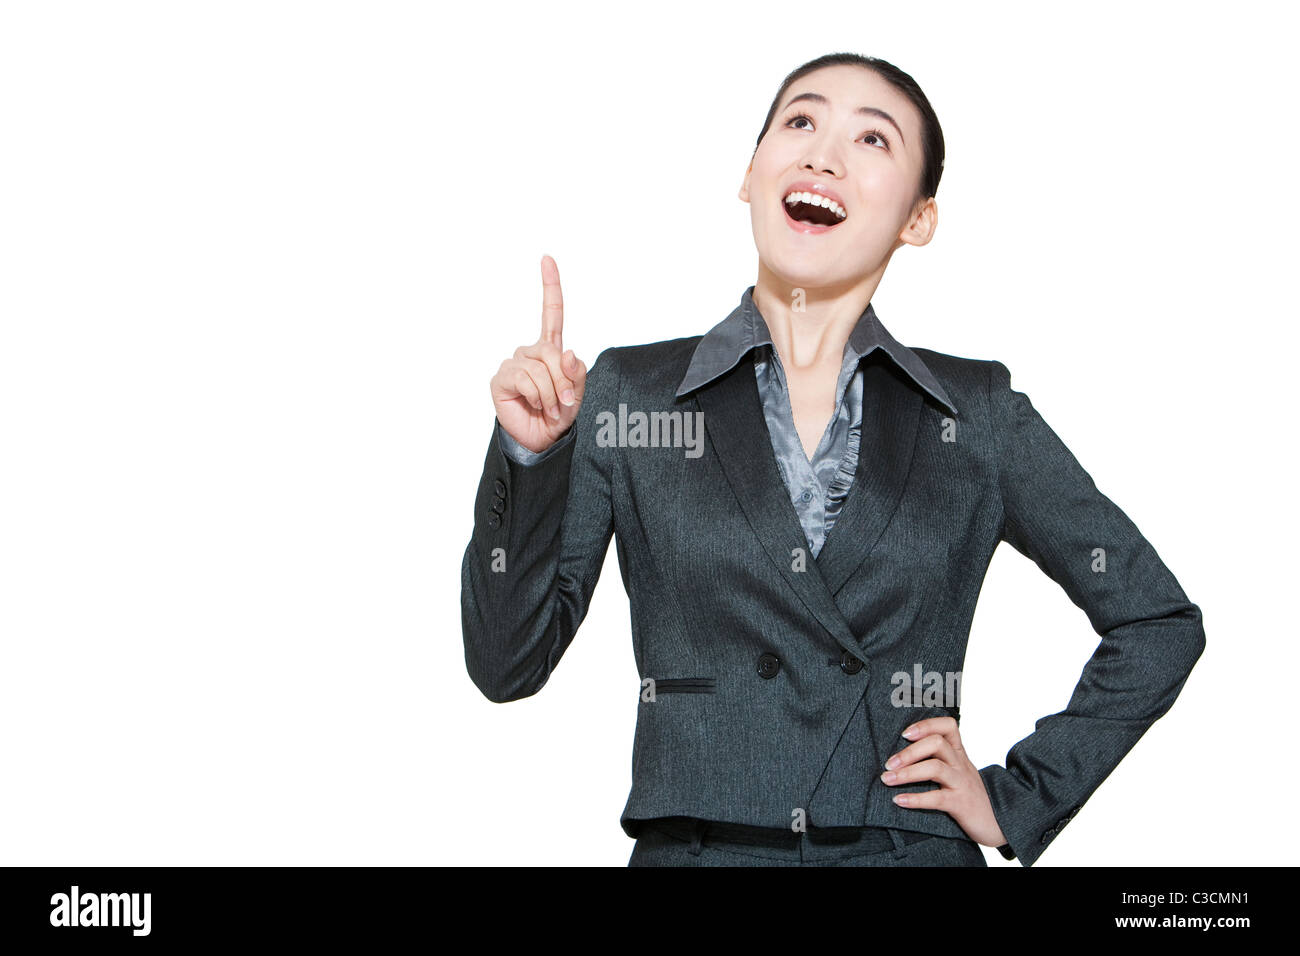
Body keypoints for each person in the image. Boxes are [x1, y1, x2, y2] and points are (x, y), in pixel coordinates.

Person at [460, 52, 1205, 866]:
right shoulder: (629, 393)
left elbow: (1157, 620)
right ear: (750, 174)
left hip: (900, 848)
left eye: (873, 140)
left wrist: (1018, 797)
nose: (824, 155)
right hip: (700, 850)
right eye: (801, 121)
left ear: (918, 218)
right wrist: (529, 460)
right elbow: (508, 664)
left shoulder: (976, 413)